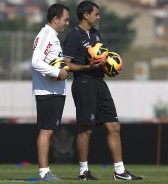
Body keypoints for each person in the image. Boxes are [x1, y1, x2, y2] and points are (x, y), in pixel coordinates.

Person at [63, 1, 143, 180]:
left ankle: (120, 172)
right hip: (83, 83)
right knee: (86, 129)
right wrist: (87, 67)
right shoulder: (73, 36)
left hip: (100, 83)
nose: (98, 17)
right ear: (86, 15)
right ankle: (83, 172)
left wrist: (108, 68)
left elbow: (100, 59)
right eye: (96, 14)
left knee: (114, 126)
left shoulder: (96, 34)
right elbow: (65, 65)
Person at [31, 3, 70, 182]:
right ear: (55, 19)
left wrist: (63, 62)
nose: (67, 23)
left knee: (49, 130)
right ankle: (44, 173)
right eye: (65, 19)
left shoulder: (52, 36)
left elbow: (51, 60)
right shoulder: (46, 34)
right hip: (47, 91)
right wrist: (57, 72)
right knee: (46, 130)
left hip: (54, 91)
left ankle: (45, 172)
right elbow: (36, 62)